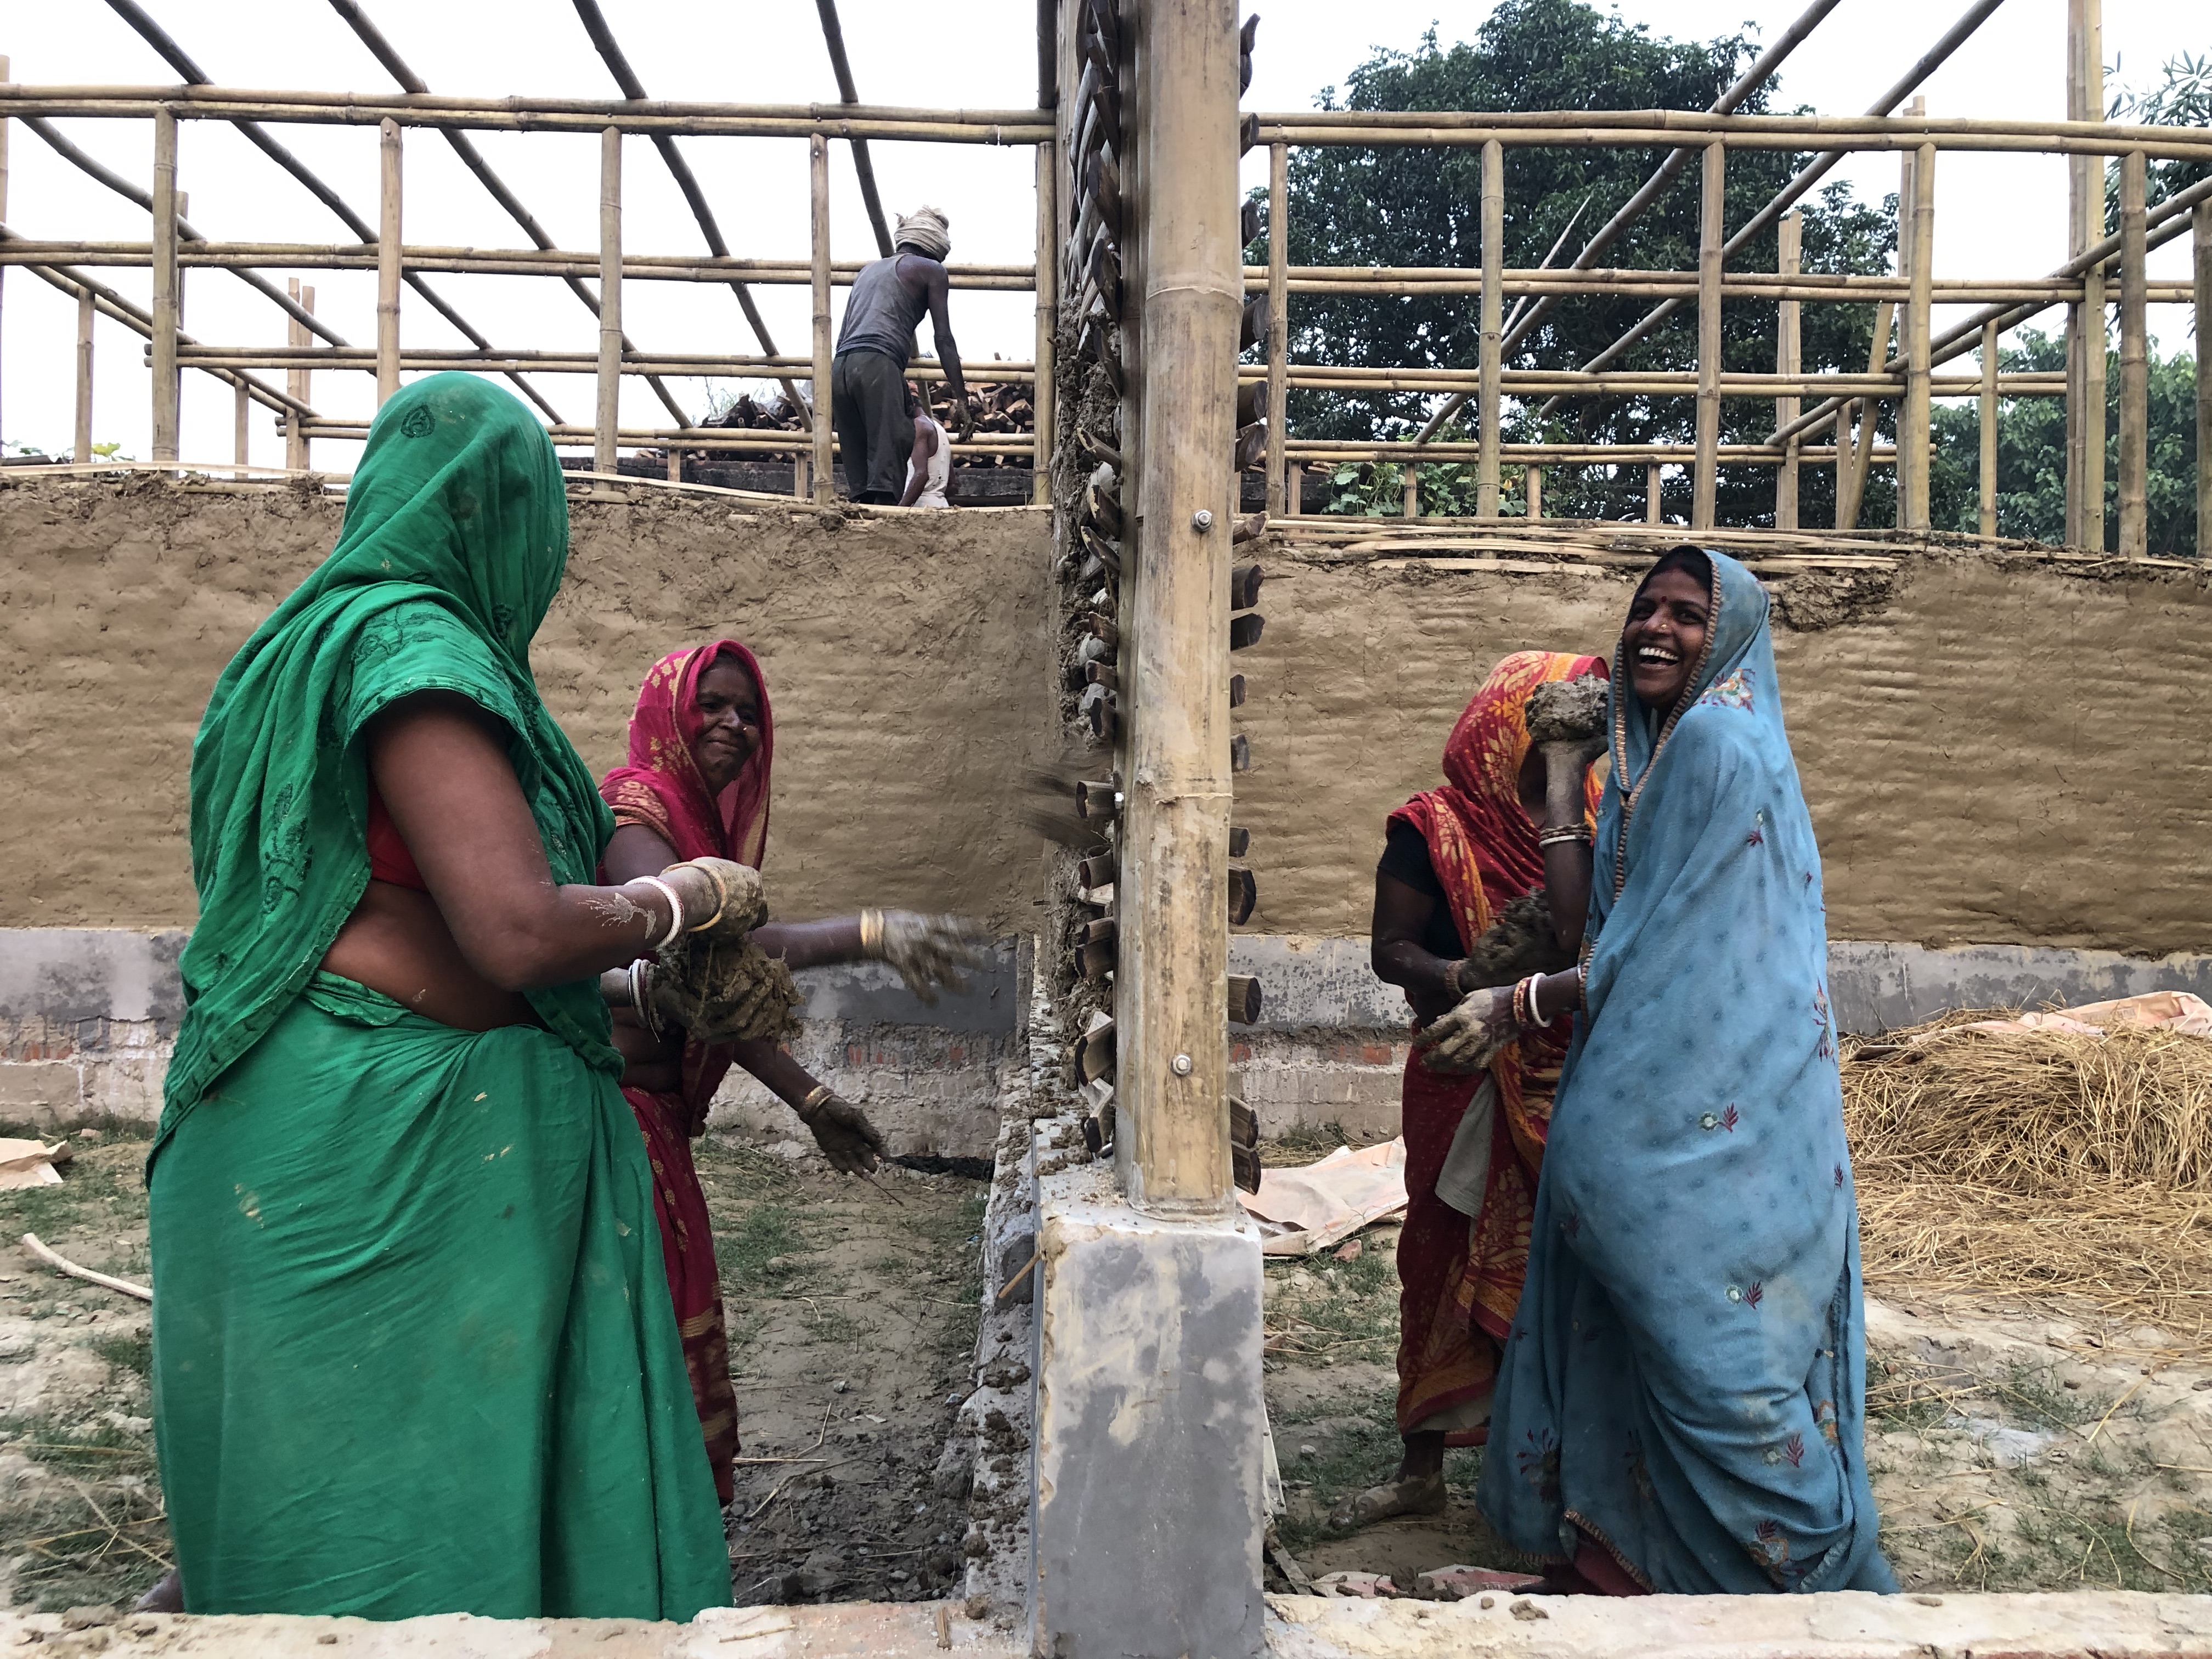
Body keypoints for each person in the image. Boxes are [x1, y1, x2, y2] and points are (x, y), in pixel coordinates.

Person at [148, 374, 747, 1620]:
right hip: (372, 1158)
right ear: (507, 519)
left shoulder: (300, 653)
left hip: (307, 1146)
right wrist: (685, 898)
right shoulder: (415, 652)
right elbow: (518, 929)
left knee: (326, 1521)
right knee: (393, 1552)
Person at [1440, 547, 1892, 1595]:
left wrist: (1517, 1005)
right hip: (1670, 1099)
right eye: (1645, 606)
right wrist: (1565, 773)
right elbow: (1588, 922)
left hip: (1715, 1124)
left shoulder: (1716, 745)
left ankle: (1812, 1583)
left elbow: (1649, 947)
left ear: (1726, 634)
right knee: (1640, 1340)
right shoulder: (1664, 750)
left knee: (1718, 1360)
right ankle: (1639, 1578)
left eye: (1687, 613)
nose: (1655, 626)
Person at [597, 639, 986, 1504]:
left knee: (662, 1330)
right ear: (670, 715)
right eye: (712, 705)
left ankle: (659, 1527)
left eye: (749, 712)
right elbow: (688, 945)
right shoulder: (634, 815)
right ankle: (629, 1524)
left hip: (657, 1127)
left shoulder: (698, 832)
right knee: (637, 1340)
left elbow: (713, 998)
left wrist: (810, 1100)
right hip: (615, 1126)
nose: (734, 724)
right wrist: (867, 934)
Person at [1335, 651, 1607, 1532]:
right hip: (1465, 1069)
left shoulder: (1595, 817)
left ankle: (1557, 1471)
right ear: (1501, 728)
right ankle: (1421, 1469)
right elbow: (1390, 951)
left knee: (1564, 1267)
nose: (1578, 737)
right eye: (1550, 723)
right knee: (1441, 1253)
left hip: (1572, 1068)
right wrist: (1462, 978)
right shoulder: (1434, 828)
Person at [831, 206, 973, 504]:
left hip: (842, 366)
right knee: (887, 465)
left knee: (861, 475)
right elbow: (944, 339)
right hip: (879, 362)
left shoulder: (867, 271)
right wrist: (962, 400)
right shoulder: (931, 270)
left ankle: (861, 522)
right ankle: (884, 524)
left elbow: (845, 332)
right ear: (935, 248)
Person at [899, 385, 952, 509]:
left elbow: (921, 475)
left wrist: (899, 510)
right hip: (940, 504)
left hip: (919, 507)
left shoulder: (919, 426)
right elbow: (953, 484)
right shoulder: (940, 429)